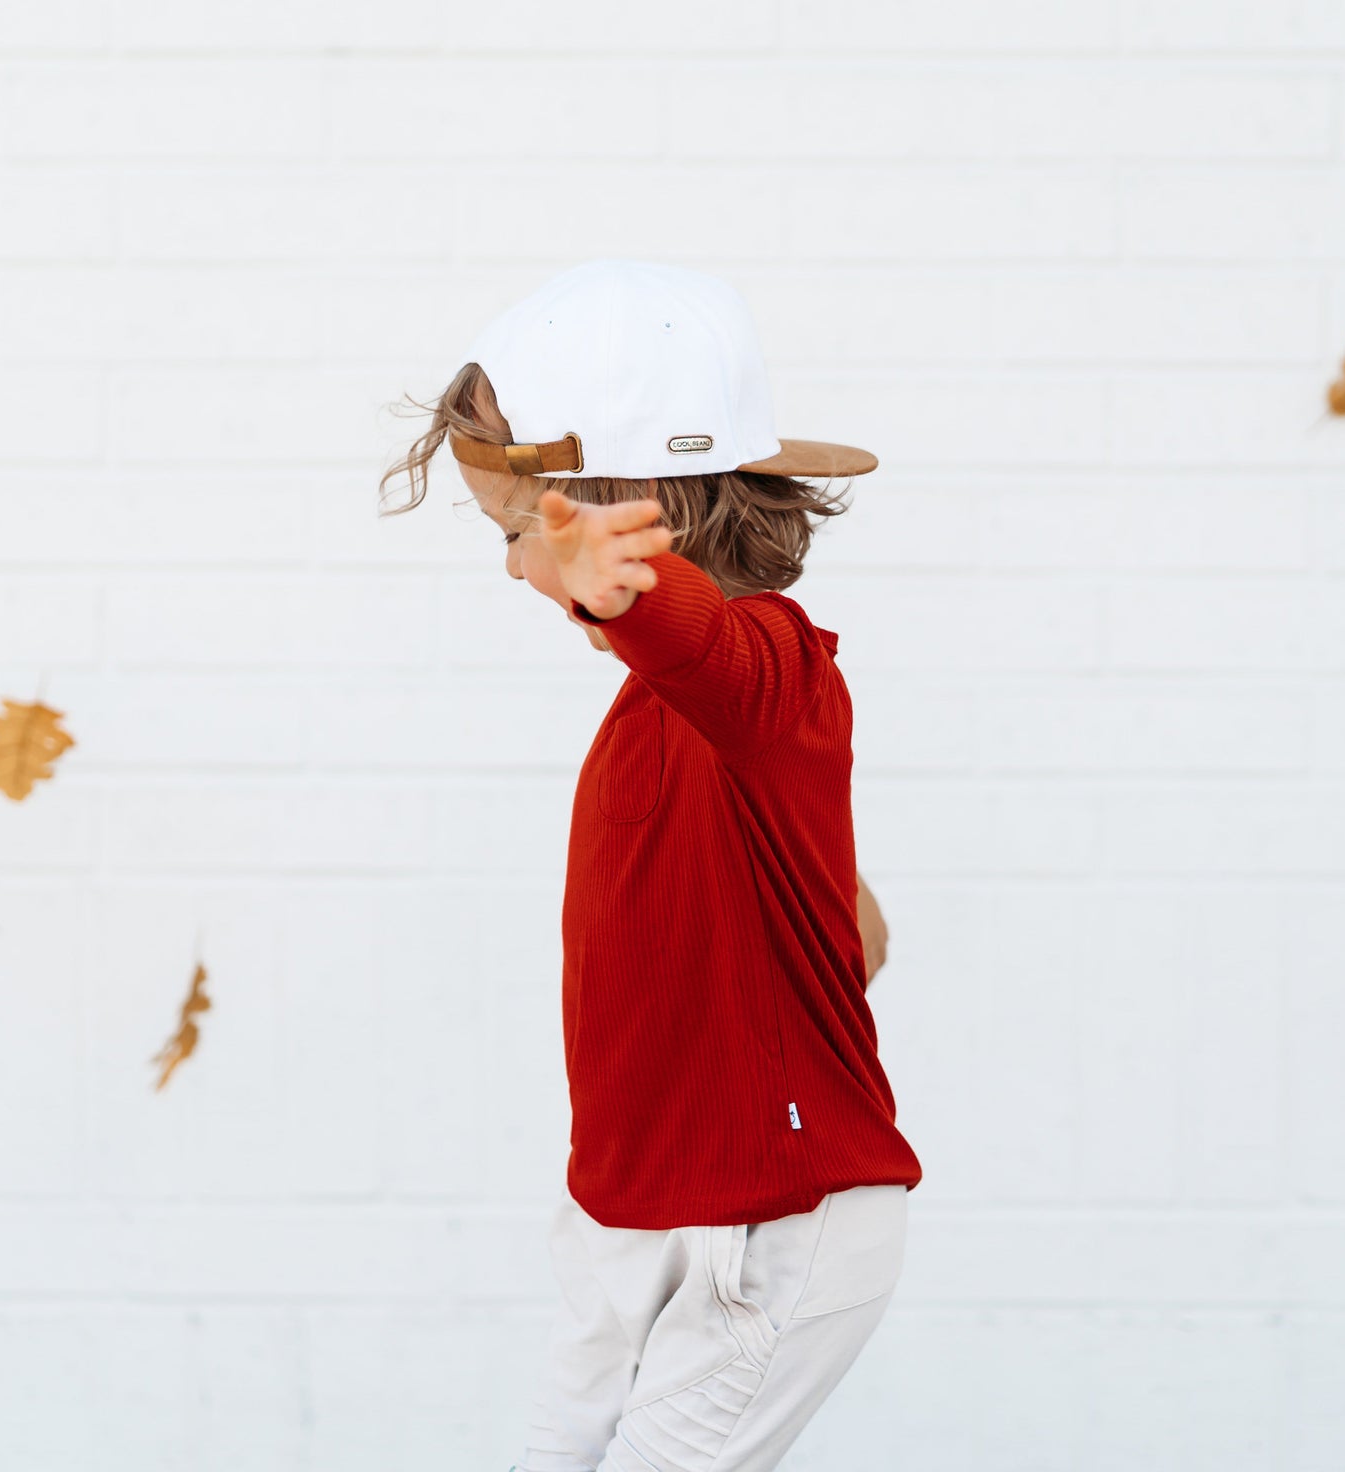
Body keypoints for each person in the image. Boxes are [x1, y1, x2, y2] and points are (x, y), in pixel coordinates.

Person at [379, 260, 922, 1472]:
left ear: (633, 513)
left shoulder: (772, 666)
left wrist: (629, 596)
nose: (519, 569)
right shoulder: (682, 717)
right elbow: (850, 925)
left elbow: (709, 648)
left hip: (767, 1226)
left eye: (524, 532)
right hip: (628, 1217)